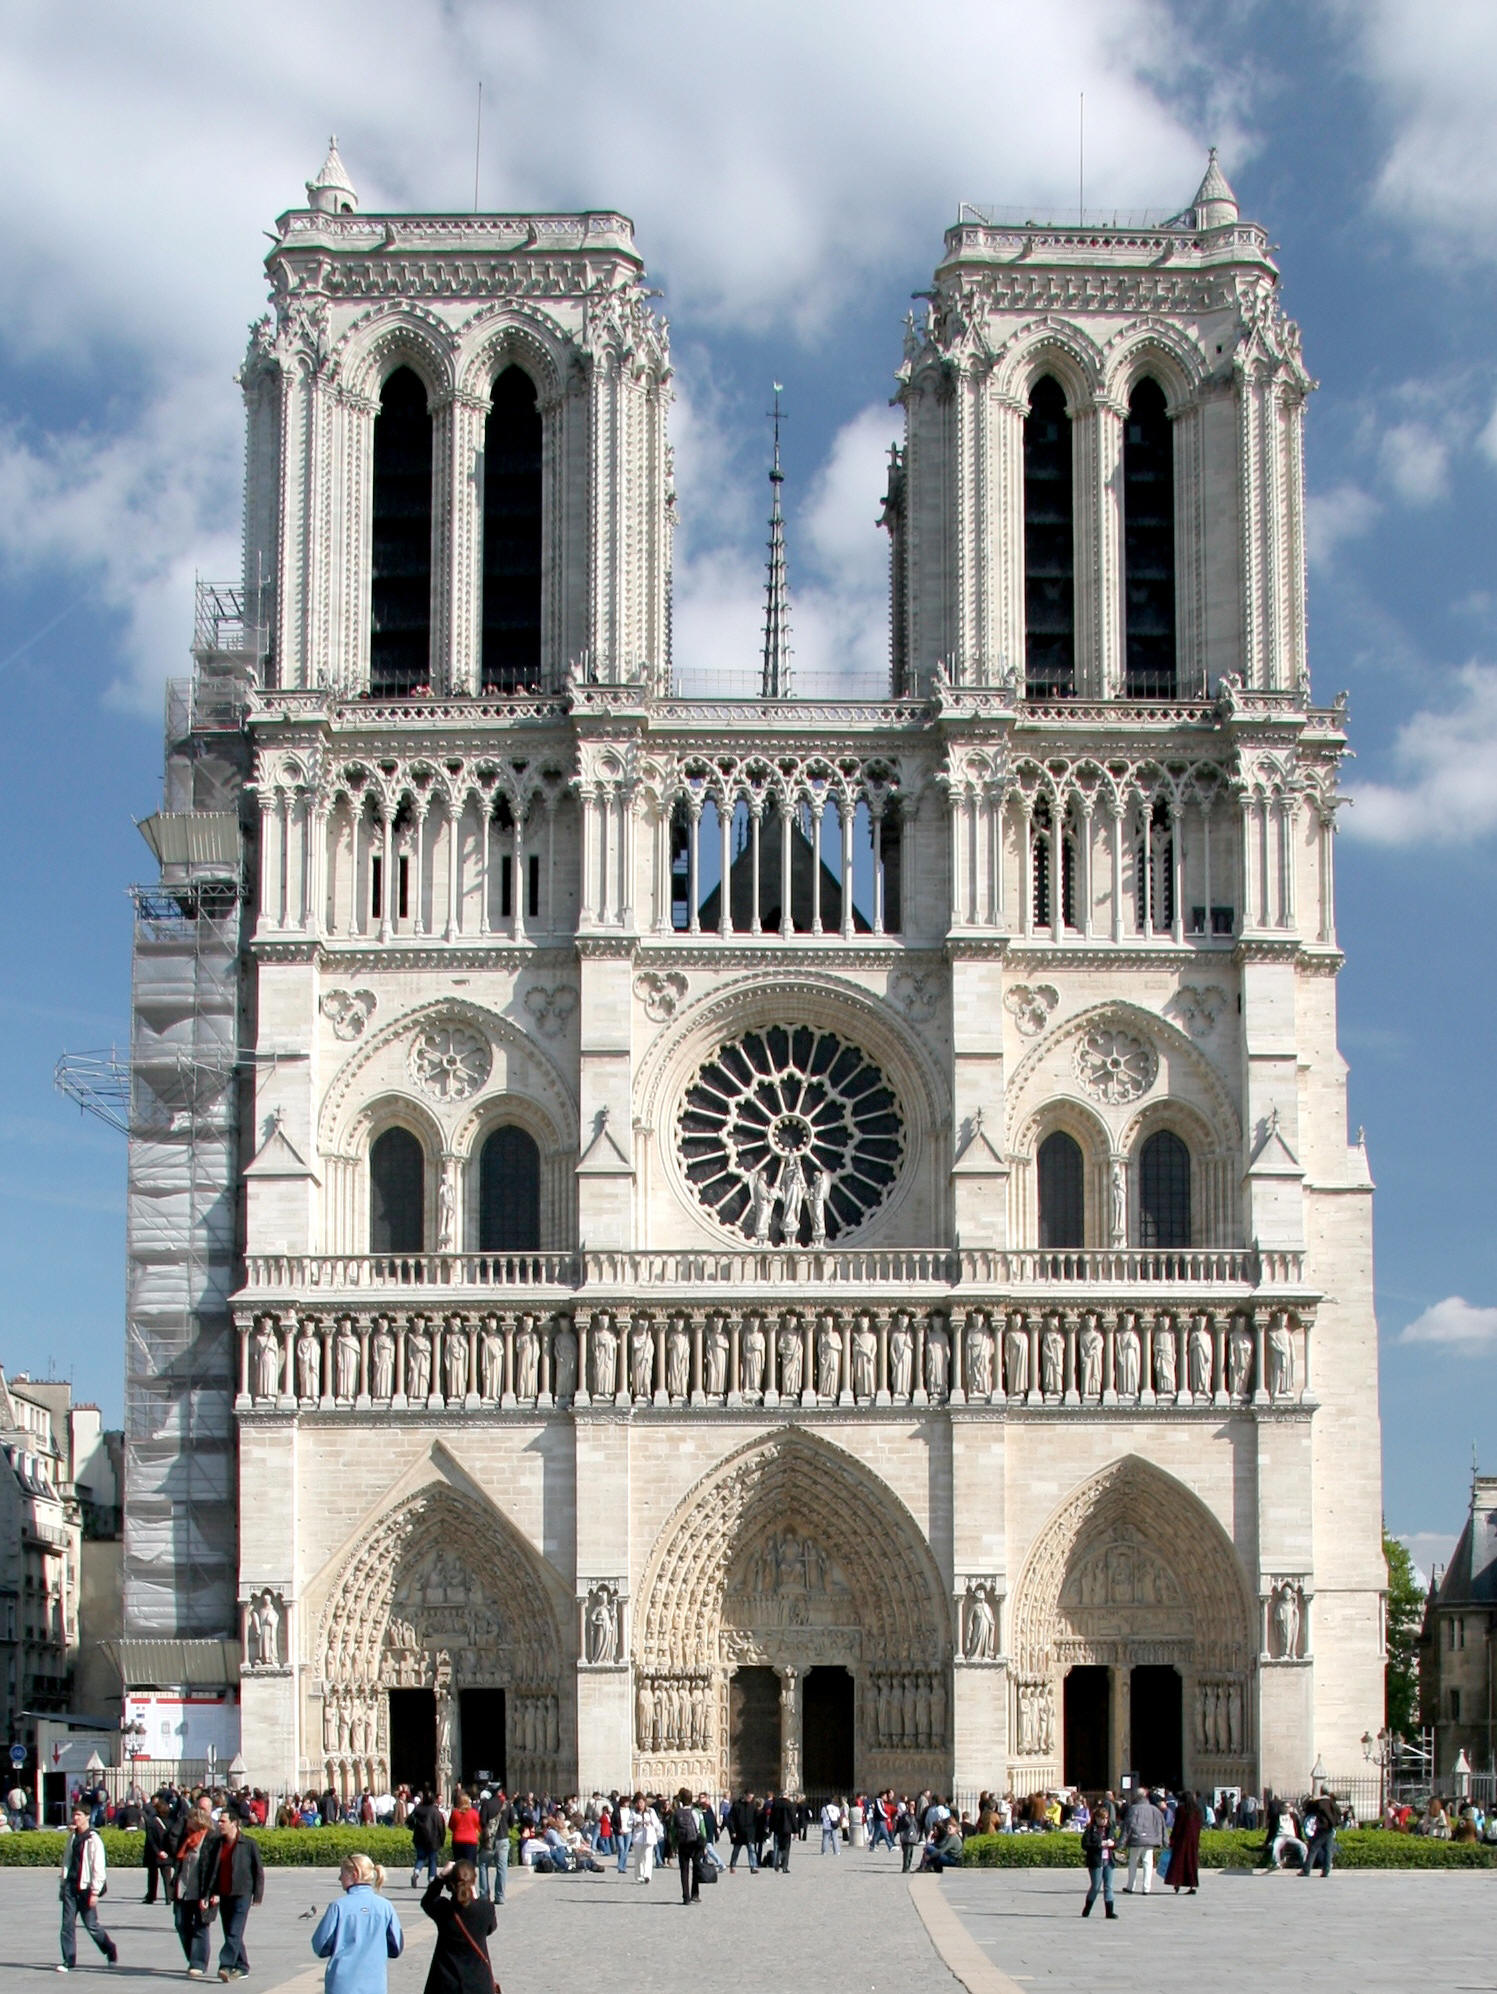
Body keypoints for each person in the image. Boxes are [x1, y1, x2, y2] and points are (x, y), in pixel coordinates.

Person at [312, 1855, 404, 1994]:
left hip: (342, 1985)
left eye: (342, 1873)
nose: (339, 1878)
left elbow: (320, 1946)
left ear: (354, 1875)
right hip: (375, 1985)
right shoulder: (386, 1906)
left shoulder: (338, 1907)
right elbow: (396, 1948)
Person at [200, 1808, 266, 1981]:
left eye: (223, 1821)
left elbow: (258, 1870)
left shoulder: (248, 1843)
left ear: (234, 1823)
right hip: (224, 1894)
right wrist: (208, 1894)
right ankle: (242, 1966)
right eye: (219, 1821)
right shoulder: (217, 1843)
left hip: (242, 1893)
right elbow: (211, 1870)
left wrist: (257, 1895)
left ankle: (226, 1965)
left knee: (234, 1932)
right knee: (231, 1932)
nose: (219, 1824)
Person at [58, 1802, 118, 1973]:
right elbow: (67, 1860)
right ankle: (68, 1959)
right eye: (74, 1815)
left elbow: (99, 1868)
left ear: (86, 1816)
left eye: (79, 1815)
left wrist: (95, 1892)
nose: (75, 1818)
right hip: (71, 1886)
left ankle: (110, 1950)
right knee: (67, 1924)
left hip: (86, 1888)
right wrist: (63, 1884)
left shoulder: (93, 1840)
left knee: (92, 1926)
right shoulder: (72, 1837)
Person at [420, 1862, 496, 1994]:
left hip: (446, 1982)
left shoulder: (444, 1909)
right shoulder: (486, 1908)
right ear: (474, 1880)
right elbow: (490, 1928)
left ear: (451, 1883)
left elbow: (427, 1900)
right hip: (479, 1983)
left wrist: (441, 1876)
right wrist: (474, 1896)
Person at [172, 1803, 215, 1978]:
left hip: (201, 1890)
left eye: (189, 1819)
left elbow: (214, 1868)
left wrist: (212, 1892)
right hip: (183, 1889)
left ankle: (198, 1962)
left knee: (200, 1926)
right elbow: (170, 1839)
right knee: (181, 1923)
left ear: (197, 1821)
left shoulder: (210, 1840)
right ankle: (193, 1955)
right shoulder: (187, 1838)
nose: (186, 1822)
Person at [1120, 1788, 1165, 1894]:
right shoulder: (1154, 1809)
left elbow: (1127, 1826)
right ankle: (1146, 1888)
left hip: (1136, 1839)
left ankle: (1130, 1886)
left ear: (1136, 1797)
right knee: (1148, 1863)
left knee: (1133, 1863)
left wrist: (1121, 1842)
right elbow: (1160, 1825)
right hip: (1150, 1840)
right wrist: (1163, 1840)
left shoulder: (1133, 1809)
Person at [1081, 1802, 1118, 1919]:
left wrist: (1113, 1844)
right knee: (1096, 1886)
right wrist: (1099, 1844)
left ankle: (1109, 1911)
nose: (1104, 1821)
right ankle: (1087, 1908)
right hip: (1096, 1860)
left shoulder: (1110, 1829)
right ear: (1096, 1818)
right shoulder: (1091, 1830)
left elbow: (1115, 1841)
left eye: (1106, 1818)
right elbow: (1085, 1844)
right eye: (1101, 1818)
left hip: (1108, 1860)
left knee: (1108, 1886)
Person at [477, 1789, 512, 1904]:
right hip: (503, 1838)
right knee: (502, 1868)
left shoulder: (487, 1804)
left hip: (489, 1840)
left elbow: (482, 1821)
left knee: (483, 1865)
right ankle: (500, 1896)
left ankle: (484, 1895)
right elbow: (512, 1822)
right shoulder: (506, 1804)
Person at [1167, 1789, 1202, 1894]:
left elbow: (1177, 1826)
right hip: (1193, 1841)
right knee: (1191, 1862)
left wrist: (1172, 1839)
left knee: (1179, 1862)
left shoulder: (1181, 1809)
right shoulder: (1197, 1810)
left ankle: (1177, 1883)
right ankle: (1192, 1885)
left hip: (1181, 1840)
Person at [672, 1789, 703, 1905]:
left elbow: (673, 1830)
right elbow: (700, 1828)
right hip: (694, 1842)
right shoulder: (695, 1812)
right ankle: (695, 1893)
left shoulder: (677, 1813)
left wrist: (674, 1844)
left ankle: (686, 1896)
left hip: (683, 1843)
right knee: (696, 1867)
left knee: (684, 1871)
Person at [409, 1792, 446, 1889]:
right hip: (433, 1839)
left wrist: (414, 1828)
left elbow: (409, 1820)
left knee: (420, 1857)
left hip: (419, 1838)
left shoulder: (417, 1809)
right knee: (432, 1860)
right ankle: (431, 1879)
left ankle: (416, 1872)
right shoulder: (435, 1811)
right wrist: (442, 1839)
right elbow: (440, 1826)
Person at [1300, 1797, 1336, 1878]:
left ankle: (1306, 1870)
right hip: (1330, 1828)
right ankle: (1326, 1871)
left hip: (1322, 1828)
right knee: (1328, 1850)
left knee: (1313, 1849)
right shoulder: (1332, 1803)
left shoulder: (1319, 1802)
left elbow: (1308, 1809)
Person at [631, 1793, 662, 1884]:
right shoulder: (633, 1812)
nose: (640, 1805)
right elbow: (629, 1824)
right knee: (639, 1858)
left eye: (642, 1802)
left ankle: (647, 1875)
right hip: (638, 1837)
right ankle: (639, 1875)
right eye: (638, 1803)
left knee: (648, 1856)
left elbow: (656, 1823)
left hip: (649, 1836)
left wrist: (650, 1822)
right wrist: (636, 1824)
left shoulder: (651, 1811)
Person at [448, 1792, 480, 1870]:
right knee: (470, 1864)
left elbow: (451, 1826)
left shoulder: (455, 1813)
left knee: (458, 1863)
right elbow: (479, 1826)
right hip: (471, 1841)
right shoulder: (474, 1813)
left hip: (457, 1840)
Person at [768, 1790, 796, 1873]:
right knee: (786, 1848)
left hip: (777, 1828)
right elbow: (793, 1818)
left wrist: (771, 1827)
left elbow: (772, 1817)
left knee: (777, 1846)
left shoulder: (775, 1803)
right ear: (787, 1795)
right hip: (787, 1829)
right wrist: (795, 1830)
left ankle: (776, 1863)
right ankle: (784, 1866)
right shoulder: (790, 1804)